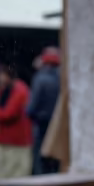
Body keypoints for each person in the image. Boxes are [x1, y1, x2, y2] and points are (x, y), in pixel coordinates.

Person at [0, 65, 33, 180]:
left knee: (16, 177)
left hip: (16, 142)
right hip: (1, 141)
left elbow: (9, 113)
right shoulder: (1, 90)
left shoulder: (20, 90)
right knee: (0, 177)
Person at [28, 46, 61, 175]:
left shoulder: (40, 78)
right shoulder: (62, 78)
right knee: (55, 164)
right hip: (57, 127)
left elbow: (31, 108)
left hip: (41, 126)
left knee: (41, 164)